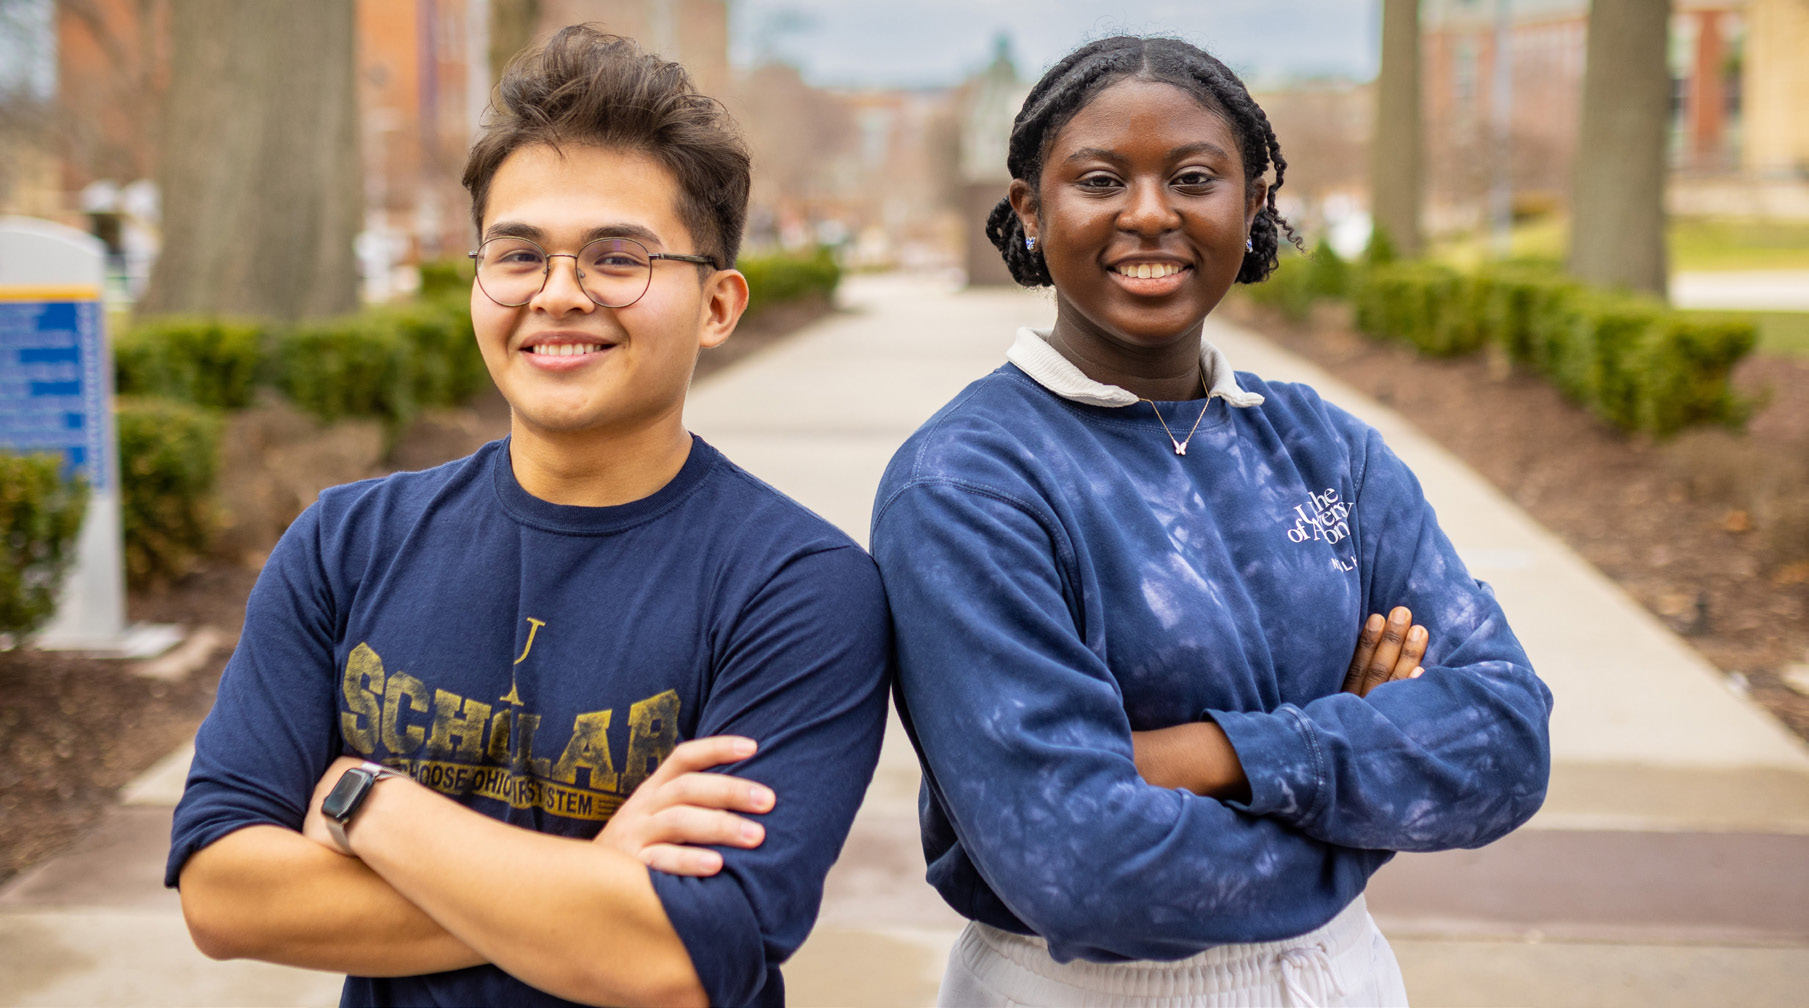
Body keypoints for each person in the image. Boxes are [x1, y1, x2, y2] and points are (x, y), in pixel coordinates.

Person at [166, 26, 889, 1008]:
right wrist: (597, 883)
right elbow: (225, 895)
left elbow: (679, 961)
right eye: (517, 254)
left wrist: (362, 801)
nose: (558, 295)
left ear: (718, 305)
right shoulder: (346, 544)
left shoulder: (797, 589)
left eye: (618, 256)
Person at [870, 35, 1553, 1006]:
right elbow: (1079, 863)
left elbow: (1506, 744)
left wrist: (1211, 755)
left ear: (1255, 202)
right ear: (1030, 208)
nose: (1150, 213)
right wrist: (1361, 774)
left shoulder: (1330, 452)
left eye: (1194, 177)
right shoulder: (967, 484)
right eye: (1100, 179)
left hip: (1344, 975)